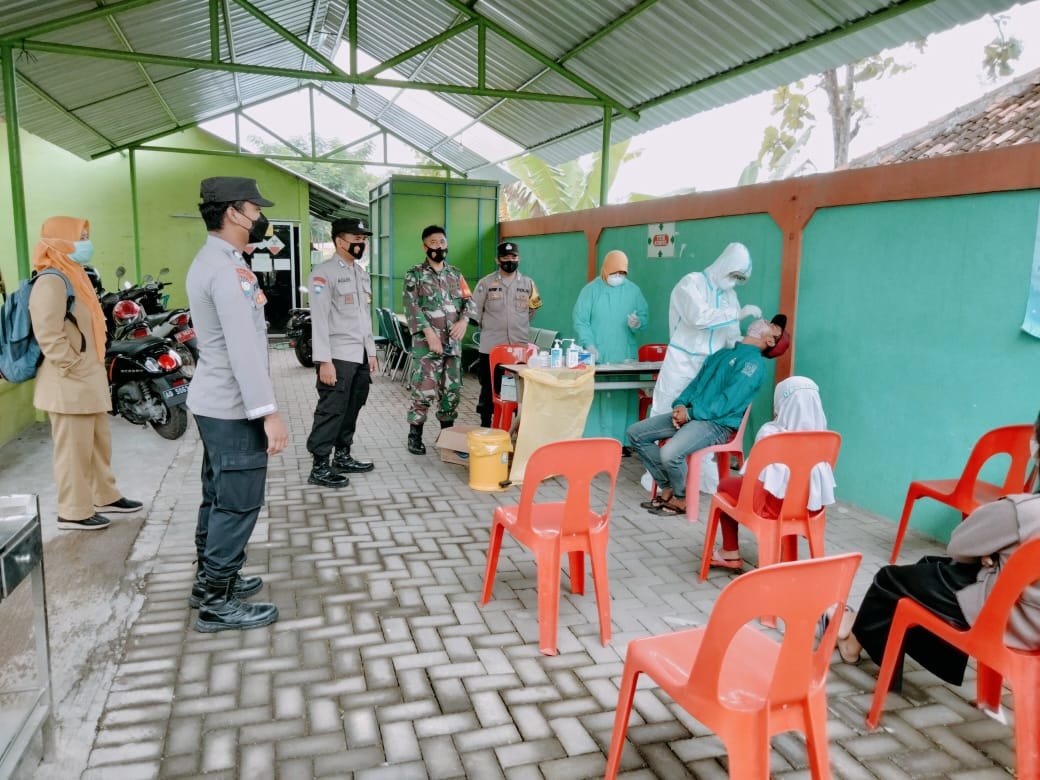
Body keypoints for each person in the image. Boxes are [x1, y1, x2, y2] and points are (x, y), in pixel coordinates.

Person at [832, 411, 1040, 681]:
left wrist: (989, 551)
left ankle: (853, 645)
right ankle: (855, 630)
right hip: (1033, 624)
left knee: (889, 580)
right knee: (926, 568)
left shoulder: (1022, 512)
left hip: (1006, 620)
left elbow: (960, 545)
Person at [186, 176, 287, 633]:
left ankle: (208, 581)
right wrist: (269, 413)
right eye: (255, 209)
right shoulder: (227, 271)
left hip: (216, 402)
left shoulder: (215, 260)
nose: (260, 217)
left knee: (218, 495)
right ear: (233, 212)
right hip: (233, 406)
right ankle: (217, 601)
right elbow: (243, 348)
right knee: (238, 502)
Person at [28, 216, 142, 531]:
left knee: (97, 444)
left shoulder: (74, 274)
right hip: (68, 381)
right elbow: (47, 333)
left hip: (86, 377)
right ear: (60, 240)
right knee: (72, 452)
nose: (85, 243)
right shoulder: (50, 280)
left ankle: (104, 495)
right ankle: (73, 511)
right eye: (79, 237)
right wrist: (73, 364)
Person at [626, 317, 788, 517]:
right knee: (636, 433)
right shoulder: (723, 353)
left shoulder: (753, 364)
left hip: (717, 424)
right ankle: (668, 486)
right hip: (693, 415)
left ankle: (681, 498)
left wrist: (690, 414)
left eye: (773, 326)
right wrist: (680, 404)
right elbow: (695, 384)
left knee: (670, 453)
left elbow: (727, 402)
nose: (765, 321)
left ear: (770, 341)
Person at [646, 242, 760, 494]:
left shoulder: (730, 296)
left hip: (710, 366)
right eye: (733, 274)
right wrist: (736, 315)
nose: (734, 281)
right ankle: (660, 478)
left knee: (702, 419)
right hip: (682, 361)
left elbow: (731, 335)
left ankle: (698, 476)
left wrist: (746, 346)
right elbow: (698, 317)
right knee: (665, 411)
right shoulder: (692, 283)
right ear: (725, 264)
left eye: (739, 278)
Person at [705, 375, 836, 569]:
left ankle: (730, 552)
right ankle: (782, 554)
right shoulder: (827, 438)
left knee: (726, 486)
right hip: (811, 508)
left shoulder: (771, 434)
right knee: (790, 492)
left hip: (770, 507)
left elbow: (754, 476)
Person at [304, 217, 377, 488]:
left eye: (364, 239)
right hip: (337, 356)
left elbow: (364, 317)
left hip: (359, 355)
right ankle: (320, 466)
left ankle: (343, 456)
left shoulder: (361, 273)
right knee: (331, 410)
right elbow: (320, 320)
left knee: (352, 407)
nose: (361, 244)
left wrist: (371, 352)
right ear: (339, 241)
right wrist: (324, 360)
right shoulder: (323, 274)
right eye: (356, 239)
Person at [402, 225, 476, 454]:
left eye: (442, 242)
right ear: (425, 247)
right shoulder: (415, 274)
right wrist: (429, 334)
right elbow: (411, 306)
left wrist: (464, 321)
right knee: (423, 390)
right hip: (427, 346)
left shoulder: (455, 274)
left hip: (453, 345)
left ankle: (447, 437)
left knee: (451, 391)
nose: (439, 246)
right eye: (433, 243)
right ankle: (415, 437)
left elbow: (469, 301)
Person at [572, 249, 650, 440]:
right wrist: (589, 345)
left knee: (622, 398)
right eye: (615, 272)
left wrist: (637, 323)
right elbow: (581, 320)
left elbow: (644, 316)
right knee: (598, 396)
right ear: (606, 269)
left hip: (624, 354)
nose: (618, 276)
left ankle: (623, 441)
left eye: (622, 273)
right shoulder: (591, 290)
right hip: (599, 353)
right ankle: (595, 439)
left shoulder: (633, 291)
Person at [470, 240, 542, 427]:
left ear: (519, 258)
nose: (510, 260)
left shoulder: (528, 283)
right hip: (491, 348)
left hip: (518, 348)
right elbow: (475, 312)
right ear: (498, 260)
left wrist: (517, 323)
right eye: (505, 257)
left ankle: (514, 427)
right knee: (489, 389)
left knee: (516, 389)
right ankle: (486, 425)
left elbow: (532, 309)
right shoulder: (486, 283)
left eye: (513, 257)